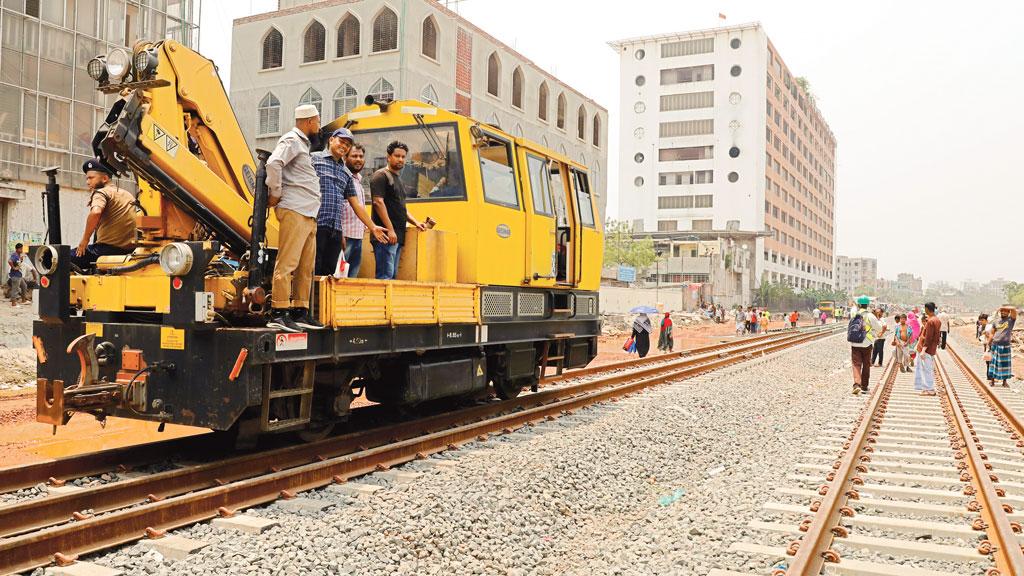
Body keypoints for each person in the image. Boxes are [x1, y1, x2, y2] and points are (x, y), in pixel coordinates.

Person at [265, 104, 325, 332]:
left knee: (305, 267)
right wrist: (276, 193)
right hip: (295, 210)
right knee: (288, 263)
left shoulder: (302, 145)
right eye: (318, 121)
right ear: (309, 121)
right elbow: (274, 163)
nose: (319, 126)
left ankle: (300, 311)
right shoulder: (291, 140)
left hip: (308, 213)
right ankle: (279, 312)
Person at [370, 141, 428, 280]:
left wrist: (416, 223)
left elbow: (401, 208)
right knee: (385, 277)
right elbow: (378, 202)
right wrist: (390, 229)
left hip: (397, 236)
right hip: (385, 236)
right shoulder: (381, 176)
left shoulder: (398, 180)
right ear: (388, 157)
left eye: (403, 156)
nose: (400, 159)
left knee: (392, 276)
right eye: (397, 156)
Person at [71, 159, 137, 270]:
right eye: (87, 178)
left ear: (105, 178)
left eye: (91, 178)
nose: (88, 182)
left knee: (58, 257)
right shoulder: (127, 194)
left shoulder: (101, 192)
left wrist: (85, 240)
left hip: (105, 250)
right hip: (130, 250)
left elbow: (96, 211)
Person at [311, 127, 356, 277]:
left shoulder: (347, 173)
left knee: (329, 272)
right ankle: (307, 300)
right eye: (341, 141)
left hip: (335, 229)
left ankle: (321, 300)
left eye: (347, 145)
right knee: (312, 267)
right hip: (316, 224)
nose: (344, 146)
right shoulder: (313, 159)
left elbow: (355, 204)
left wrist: (372, 226)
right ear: (331, 140)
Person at [342, 143, 387, 277]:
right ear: (345, 158)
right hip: (345, 237)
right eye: (354, 156)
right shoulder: (343, 177)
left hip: (357, 238)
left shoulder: (358, 182)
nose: (358, 159)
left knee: (351, 279)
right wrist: (339, 235)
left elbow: (358, 209)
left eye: (361, 156)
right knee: (338, 277)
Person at [849, 295, 882, 395]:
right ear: (867, 305)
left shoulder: (854, 314)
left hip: (855, 343)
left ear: (859, 304)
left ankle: (856, 384)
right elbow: (879, 328)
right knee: (866, 365)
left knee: (856, 364)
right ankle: (864, 386)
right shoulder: (870, 316)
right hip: (867, 343)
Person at [914, 302, 942, 396]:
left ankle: (929, 389)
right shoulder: (937, 320)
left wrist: (923, 350)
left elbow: (928, 337)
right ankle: (927, 388)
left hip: (926, 349)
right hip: (931, 349)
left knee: (926, 369)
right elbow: (937, 336)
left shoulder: (930, 321)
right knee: (928, 368)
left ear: (927, 309)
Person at [988, 306, 1017, 387]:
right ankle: (992, 381)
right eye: (1002, 311)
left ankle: (1004, 382)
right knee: (994, 364)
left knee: (1005, 365)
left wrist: (1002, 307)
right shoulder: (996, 321)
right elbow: (992, 332)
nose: (1003, 312)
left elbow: (1014, 309)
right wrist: (989, 342)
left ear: (1008, 312)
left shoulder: (1011, 320)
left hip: (1005, 346)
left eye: (1005, 311)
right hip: (995, 345)